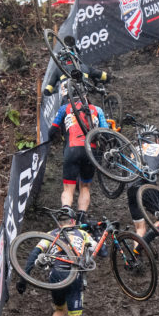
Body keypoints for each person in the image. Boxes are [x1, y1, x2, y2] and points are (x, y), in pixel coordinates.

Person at [15, 206, 96, 316]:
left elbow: (33, 254)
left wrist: (24, 278)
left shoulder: (51, 234)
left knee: (59, 309)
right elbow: (100, 251)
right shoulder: (82, 234)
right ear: (73, 221)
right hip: (74, 277)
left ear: (59, 223)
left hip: (55, 276)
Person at [49, 79, 108, 220]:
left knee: (68, 187)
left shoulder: (65, 108)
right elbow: (106, 132)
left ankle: (66, 213)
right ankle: (81, 216)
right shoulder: (97, 110)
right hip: (91, 151)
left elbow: (52, 131)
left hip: (72, 149)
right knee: (85, 187)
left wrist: (57, 138)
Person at [126, 124, 159, 236]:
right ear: (157, 139)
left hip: (130, 188)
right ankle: (146, 242)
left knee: (140, 228)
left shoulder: (134, 150)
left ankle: (137, 251)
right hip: (146, 186)